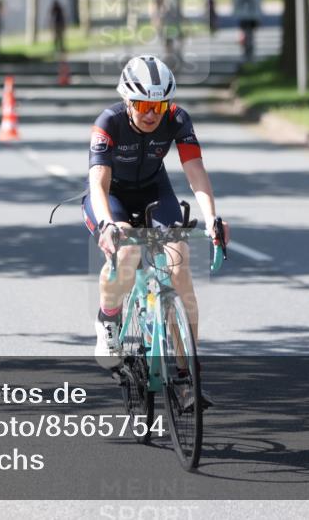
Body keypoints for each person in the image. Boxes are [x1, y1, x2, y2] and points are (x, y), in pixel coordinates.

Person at [83, 55, 231, 405]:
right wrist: (107, 225)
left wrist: (212, 218)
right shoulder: (108, 123)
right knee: (128, 250)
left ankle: (186, 377)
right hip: (112, 197)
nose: (152, 113)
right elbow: (98, 184)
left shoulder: (177, 118)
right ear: (127, 101)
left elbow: (195, 170)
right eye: (144, 105)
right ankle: (108, 320)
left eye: (159, 105)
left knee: (180, 268)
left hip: (154, 189)